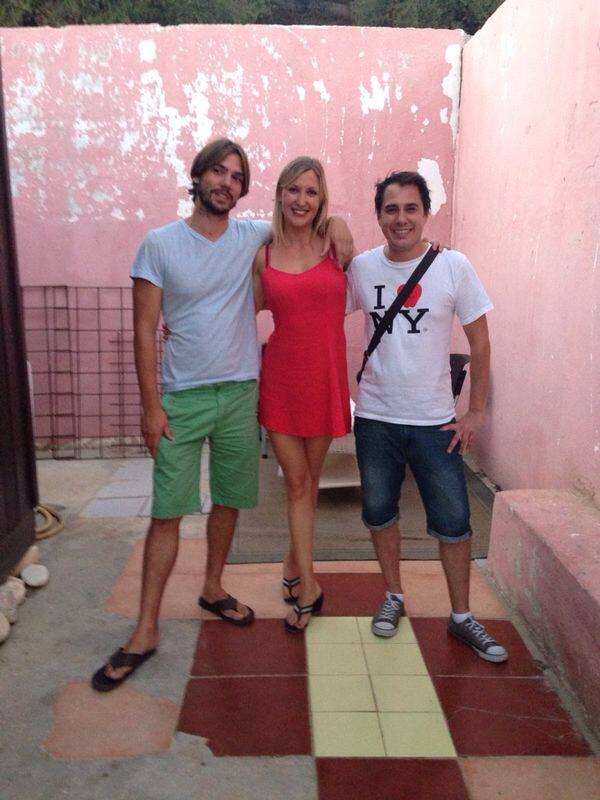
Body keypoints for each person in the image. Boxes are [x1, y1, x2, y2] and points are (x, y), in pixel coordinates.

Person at [91, 139, 353, 691]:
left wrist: (341, 223)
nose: (225, 183)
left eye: (236, 177)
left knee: (230, 501)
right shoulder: (159, 243)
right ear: (198, 176)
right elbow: (144, 329)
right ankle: (145, 629)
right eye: (217, 172)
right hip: (181, 398)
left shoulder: (252, 236)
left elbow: (310, 221)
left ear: (244, 189)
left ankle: (212, 587)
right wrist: (151, 407)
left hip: (240, 393)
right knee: (168, 512)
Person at [346, 171, 508, 662]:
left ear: (425, 213)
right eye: (391, 209)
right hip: (375, 418)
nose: (401, 219)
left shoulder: (453, 266)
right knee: (380, 513)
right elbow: (318, 306)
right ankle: (393, 595)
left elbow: (480, 343)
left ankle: (461, 616)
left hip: (436, 423)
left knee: (454, 521)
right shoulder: (361, 268)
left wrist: (475, 411)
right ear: (379, 215)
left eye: (410, 208)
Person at [253, 157, 351, 633]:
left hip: (325, 379)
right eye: (293, 190)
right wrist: (183, 324)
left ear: (321, 199)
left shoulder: (336, 245)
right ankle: (309, 586)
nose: (301, 200)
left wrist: (341, 222)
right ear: (279, 194)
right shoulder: (263, 255)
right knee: (296, 483)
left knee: (309, 484)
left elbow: (386, 266)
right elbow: (238, 312)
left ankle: (292, 564)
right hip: (282, 382)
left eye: (311, 192)